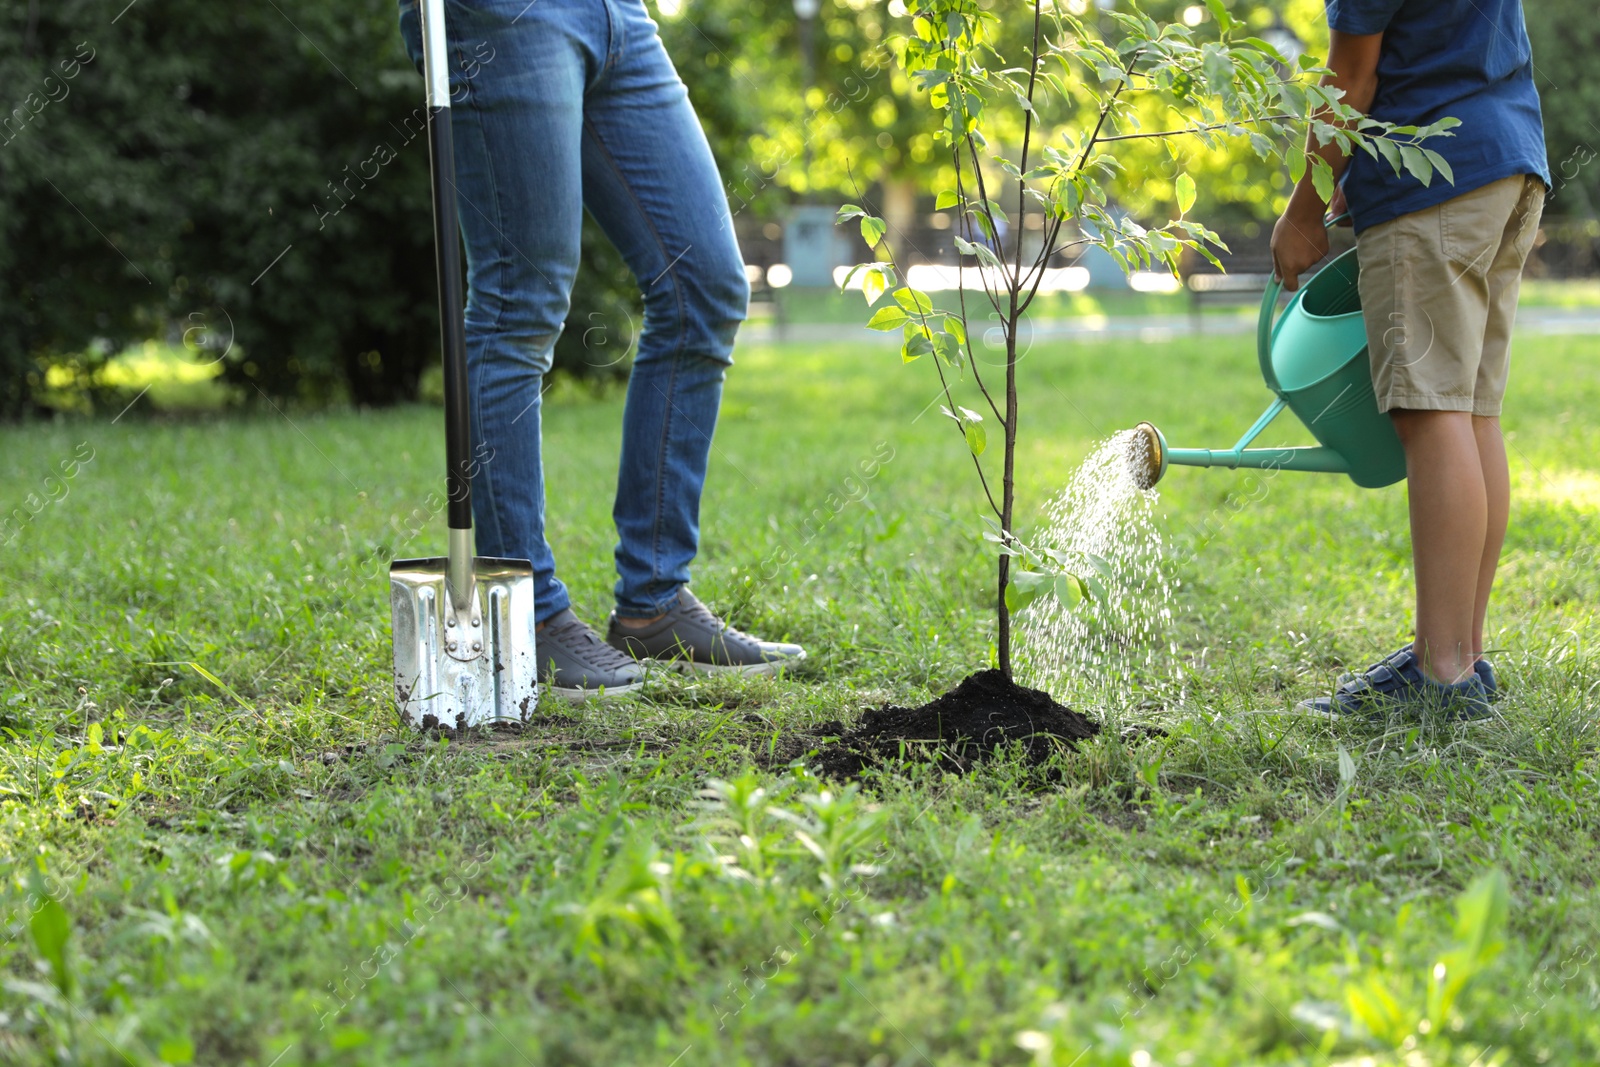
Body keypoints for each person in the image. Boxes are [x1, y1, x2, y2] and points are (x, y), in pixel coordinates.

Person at [399, 0, 805, 701]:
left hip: (618, 13)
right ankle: (526, 609)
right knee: (517, 303)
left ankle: (653, 601)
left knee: (703, 285)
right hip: (499, 16)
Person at [1270, 0, 1548, 719]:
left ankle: (1443, 673)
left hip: (1434, 175)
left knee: (1432, 412)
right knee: (1472, 412)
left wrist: (1305, 207)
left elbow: (1351, 75)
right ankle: (1463, 654)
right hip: (1508, 161)